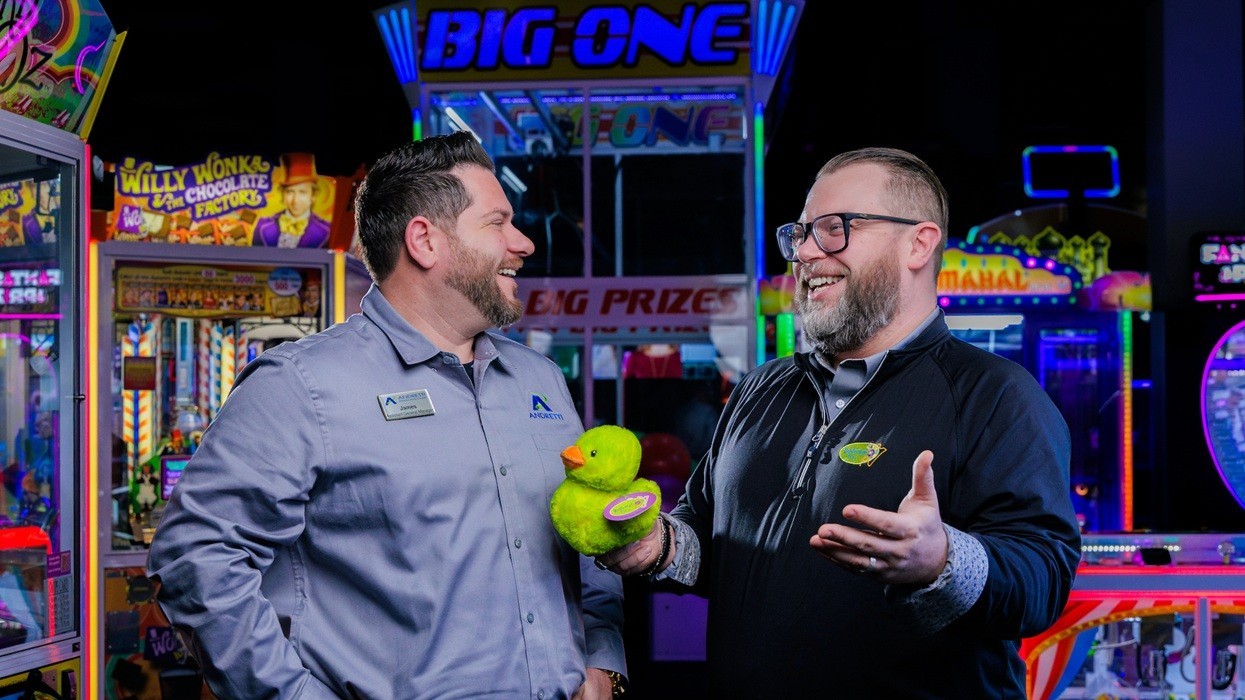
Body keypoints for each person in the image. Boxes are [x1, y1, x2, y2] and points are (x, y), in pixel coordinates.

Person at [147, 131, 627, 699]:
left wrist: (603, 662)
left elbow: (588, 536)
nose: (522, 243)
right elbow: (195, 557)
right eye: (497, 223)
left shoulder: (539, 380)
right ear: (424, 240)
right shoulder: (300, 387)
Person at [596, 147, 1082, 697]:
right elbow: (712, 539)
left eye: (834, 228)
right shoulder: (760, 389)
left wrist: (941, 560)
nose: (804, 252)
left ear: (918, 243)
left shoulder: (996, 395)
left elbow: (1042, 580)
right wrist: (657, 545)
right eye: (800, 233)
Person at [251, 152, 332, 248]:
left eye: (302, 192)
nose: (295, 200)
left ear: (313, 195)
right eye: (290, 192)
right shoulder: (262, 225)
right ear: (283, 194)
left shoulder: (326, 230)